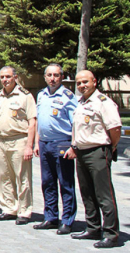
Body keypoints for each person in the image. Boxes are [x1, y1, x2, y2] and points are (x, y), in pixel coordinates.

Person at [66, 70, 121, 249]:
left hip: (98, 151)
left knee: (104, 194)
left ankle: (111, 233)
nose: (82, 85)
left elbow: (115, 129)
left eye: (85, 82)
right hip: (81, 152)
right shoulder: (81, 103)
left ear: (94, 82)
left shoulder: (103, 103)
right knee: (87, 193)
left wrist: (110, 148)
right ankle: (93, 227)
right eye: (79, 82)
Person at [0, 66, 37, 225]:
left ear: (15, 77)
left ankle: (24, 211)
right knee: (3, 177)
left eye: (8, 76)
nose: (5, 80)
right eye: (2, 77)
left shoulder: (25, 96)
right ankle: (9, 208)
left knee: (22, 177)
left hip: (19, 140)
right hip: (1, 141)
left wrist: (29, 145)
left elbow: (32, 122)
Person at [33, 63, 78, 235]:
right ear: (45, 77)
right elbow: (40, 121)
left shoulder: (68, 96)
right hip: (44, 144)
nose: (52, 78)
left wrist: (73, 145)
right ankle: (50, 217)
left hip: (62, 144)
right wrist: (37, 143)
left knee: (65, 183)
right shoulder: (41, 95)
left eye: (56, 75)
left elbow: (75, 123)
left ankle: (67, 220)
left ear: (61, 77)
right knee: (47, 183)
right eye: (49, 75)